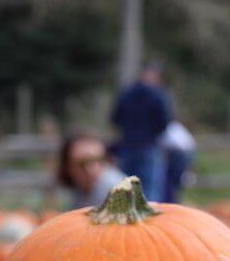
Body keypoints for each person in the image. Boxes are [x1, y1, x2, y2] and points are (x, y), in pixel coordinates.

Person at [111, 64, 172, 201]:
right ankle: (149, 221)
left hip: (127, 147)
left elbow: (115, 118)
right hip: (149, 147)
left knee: (127, 189)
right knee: (150, 191)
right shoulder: (158, 95)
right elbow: (164, 121)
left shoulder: (126, 93)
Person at [57, 133, 126, 209]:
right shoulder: (78, 190)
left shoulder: (114, 189)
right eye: (82, 163)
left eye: (100, 160)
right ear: (68, 167)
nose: (93, 169)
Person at [160, 120, 195, 204]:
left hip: (178, 153)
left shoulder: (165, 126)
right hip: (184, 152)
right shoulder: (175, 126)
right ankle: (172, 202)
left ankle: (169, 202)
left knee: (169, 182)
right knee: (174, 183)